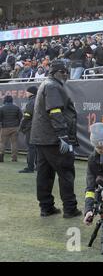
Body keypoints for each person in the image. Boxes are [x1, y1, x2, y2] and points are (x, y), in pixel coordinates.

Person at [30, 60, 81, 218]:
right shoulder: (52, 86)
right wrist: (63, 135)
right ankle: (70, 208)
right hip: (54, 139)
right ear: (55, 72)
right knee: (66, 172)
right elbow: (55, 111)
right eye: (63, 71)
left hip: (42, 139)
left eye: (67, 71)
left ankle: (46, 207)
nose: (66, 74)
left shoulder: (46, 84)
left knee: (44, 174)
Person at [18, 86, 38, 173]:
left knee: (31, 148)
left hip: (30, 127)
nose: (26, 93)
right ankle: (38, 166)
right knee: (36, 148)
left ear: (31, 93)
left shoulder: (31, 102)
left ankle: (30, 167)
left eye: (27, 92)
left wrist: (21, 126)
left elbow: (27, 116)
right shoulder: (39, 100)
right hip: (38, 127)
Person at [0, 95, 22, 162]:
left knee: (2, 143)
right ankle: (14, 158)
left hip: (4, 127)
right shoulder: (17, 108)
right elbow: (20, 117)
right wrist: (17, 124)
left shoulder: (1, 108)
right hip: (15, 127)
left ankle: (0, 158)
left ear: (5, 100)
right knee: (14, 143)